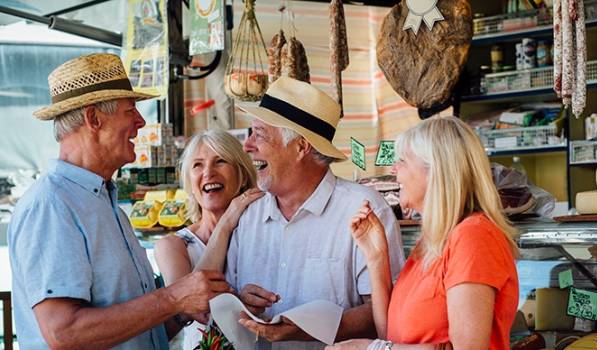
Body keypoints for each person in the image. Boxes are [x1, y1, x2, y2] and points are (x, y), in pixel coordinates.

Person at [8, 53, 232, 349]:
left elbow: (134, 331)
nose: (141, 121)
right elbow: (64, 333)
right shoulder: (52, 205)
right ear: (94, 118)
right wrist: (174, 297)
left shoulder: (103, 203)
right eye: (131, 111)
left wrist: (183, 309)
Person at [195, 77, 406, 349]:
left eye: (259, 134)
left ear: (301, 147)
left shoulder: (364, 209)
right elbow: (226, 298)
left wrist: (309, 329)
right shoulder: (249, 215)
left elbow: (386, 309)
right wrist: (241, 302)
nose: (247, 146)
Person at [329, 117, 520, 350]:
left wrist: (371, 349)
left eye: (403, 161)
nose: (393, 170)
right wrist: (377, 257)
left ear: (435, 171)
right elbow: (391, 334)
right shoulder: (432, 242)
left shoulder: (474, 236)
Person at [154, 130, 264, 349]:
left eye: (220, 161)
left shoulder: (260, 232)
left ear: (241, 176)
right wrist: (225, 224)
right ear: (190, 184)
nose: (208, 173)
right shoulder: (174, 246)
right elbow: (194, 306)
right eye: (197, 165)